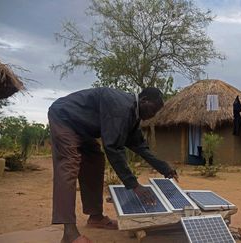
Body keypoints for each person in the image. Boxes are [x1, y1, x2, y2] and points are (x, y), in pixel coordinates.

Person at [48, 87, 178, 243]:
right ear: (144, 101)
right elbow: (113, 147)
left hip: (84, 128)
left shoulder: (133, 116)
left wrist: (165, 169)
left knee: (95, 161)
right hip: (64, 117)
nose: (153, 115)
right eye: (153, 110)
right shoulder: (121, 107)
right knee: (68, 165)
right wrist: (134, 185)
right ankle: (69, 233)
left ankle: (95, 217)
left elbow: (141, 147)